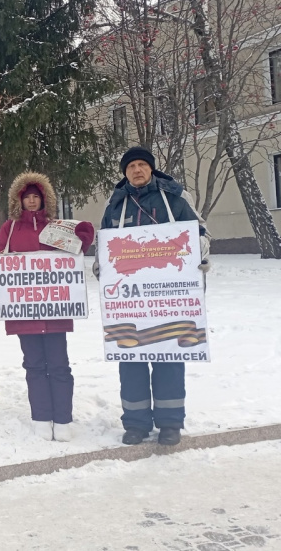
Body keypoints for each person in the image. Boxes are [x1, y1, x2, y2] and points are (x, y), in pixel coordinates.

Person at [100, 146, 209, 447]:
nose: (137, 170)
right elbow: (104, 244)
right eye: (131, 166)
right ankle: (135, 423)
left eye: (141, 165)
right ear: (124, 172)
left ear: (151, 168)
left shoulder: (174, 198)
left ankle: (170, 423)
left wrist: (201, 255)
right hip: (129, 301)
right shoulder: (115, 205)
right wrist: (101, 267)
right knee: (131, 357)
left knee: (169, 357)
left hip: (169, 298)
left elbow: (199, 233)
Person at [0, 172, 95, 442]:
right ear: (18, 201)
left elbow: (74, 250)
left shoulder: (55, 228)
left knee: (59, 365)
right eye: (27, 197)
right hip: (24, 313)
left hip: (55, 311)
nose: (31, 202)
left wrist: (83, 237)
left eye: (36, 197)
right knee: (33, 365)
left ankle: (63, 419)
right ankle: (42, 417)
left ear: (45, 200)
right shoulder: (9, 230)